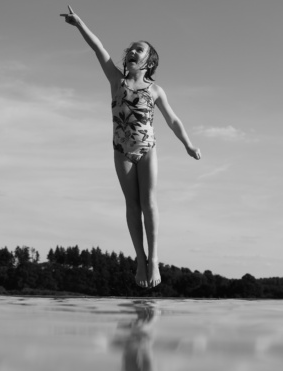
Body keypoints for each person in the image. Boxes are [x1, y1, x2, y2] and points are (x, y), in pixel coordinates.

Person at [61, 6, 201, 288]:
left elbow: (173, 119)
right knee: (132, 204)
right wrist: (79, 24)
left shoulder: (155, 90)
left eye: (139, 50)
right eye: (130, 49)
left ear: (149, 62)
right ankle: (140, 258)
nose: (132, 52)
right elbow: (97, 47)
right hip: (121, 149)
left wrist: (188, 144)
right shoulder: (116, 80)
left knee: (149, 203)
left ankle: (154, 258)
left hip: (147, 148)